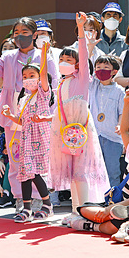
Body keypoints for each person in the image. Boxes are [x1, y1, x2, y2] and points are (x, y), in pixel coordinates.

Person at [0, 18, 59, 208]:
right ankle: (20, 199)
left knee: (37, 159)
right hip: (13, 111)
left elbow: (54, 84)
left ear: (34, 35)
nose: (19, 36)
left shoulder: (44, 56)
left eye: (24, 32)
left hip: (36, 114)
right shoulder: (8, 57)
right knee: (16, 158)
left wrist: (50, 114)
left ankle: (39, 200)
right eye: (16, 32)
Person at [49, 13, 110, 222]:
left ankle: (84, 212)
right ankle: (75, 211)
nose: (64, 62)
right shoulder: (60, 83)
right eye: (62, 59)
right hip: (63, 131)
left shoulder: (82, 78)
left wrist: (81, 30)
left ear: (77, 65)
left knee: (81, 171)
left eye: (69, 60)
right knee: (72, 172)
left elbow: (83, 56)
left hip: (82, 129)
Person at [71, 98, 129, 235]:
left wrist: (109, 210)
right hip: (115, 202)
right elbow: (124, 130)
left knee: (114, 225)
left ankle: (95, 224)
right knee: (84, 208)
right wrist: (127, 102)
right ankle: (108, 216)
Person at [1, 44, 55, 222]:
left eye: (32, 76)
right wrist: (10, 116)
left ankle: (46, 204)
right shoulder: (23, 98)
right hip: (26, 139)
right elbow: (22, 121)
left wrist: (45, 55)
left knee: (35, 173)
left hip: (39, 138)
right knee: (24, 172)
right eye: (25, 76)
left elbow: (44, 76)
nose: (27, 79)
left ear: (40, 78)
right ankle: (26, 208)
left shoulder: (42, 94)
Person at [89, 55, 126, 186]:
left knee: (113, 171)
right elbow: (85, 66)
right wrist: (90, 49)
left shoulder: (120, 91)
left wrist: (119, 125)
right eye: (98, 67)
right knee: (94, 171)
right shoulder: (93, 86)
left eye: (105, 67)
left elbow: (122, 112)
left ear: (114, 72)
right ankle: (96, 199)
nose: (101, 70)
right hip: (94, 136)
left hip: (112, 138)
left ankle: (113, 200)